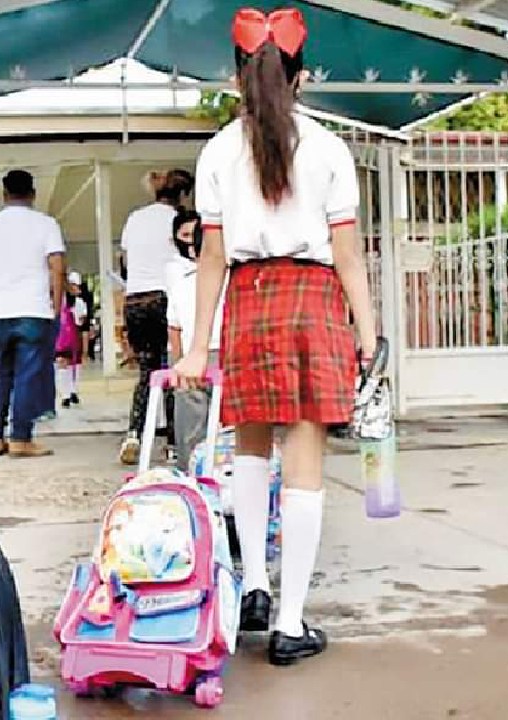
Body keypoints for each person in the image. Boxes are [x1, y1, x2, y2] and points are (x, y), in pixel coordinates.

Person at [174, 7, 378, 666]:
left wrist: (197, 345)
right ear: (304, 76)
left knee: (251, 448)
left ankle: (255, 589)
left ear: (237, 76)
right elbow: (347, 256)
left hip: (248, 300)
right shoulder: (327, 148)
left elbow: (210, 259)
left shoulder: (215, 152)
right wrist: (367, 331)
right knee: (306, 459)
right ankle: (290, 624)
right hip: (313, 299)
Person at [0, 169, 66, 458]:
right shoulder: (46, 224)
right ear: (32, 193)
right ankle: (21, 437)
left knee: (3, 373)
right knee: (27, 374)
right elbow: (57, 267)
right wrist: (56, 304)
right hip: (34, 310)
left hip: (0, 312)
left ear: (4, 194)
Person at [117, 168, 194, 465]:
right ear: (183, 195)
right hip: (165, 298)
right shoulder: (179, 221)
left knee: (147, 371)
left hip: (135, 299)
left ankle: (134, 434)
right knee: (175, 369)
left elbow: (124, 261)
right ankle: (174, 442)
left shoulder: (136, 218)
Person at [166, 210, 224, 472]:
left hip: (191, 360)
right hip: (227, 357)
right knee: (231, 426)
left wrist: (177, 362)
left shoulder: (181, 285)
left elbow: (174, 329)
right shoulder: (234, 282)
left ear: (193, 252)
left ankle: (191, 473)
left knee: (191, 428)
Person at [55, 271, 89, 408]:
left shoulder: (79, 303)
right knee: (63, 364)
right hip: (61, 339)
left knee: (74, 365)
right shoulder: (60, 301)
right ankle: (65, 394)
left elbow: (81, 323)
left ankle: (72, 391)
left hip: (73, 338)